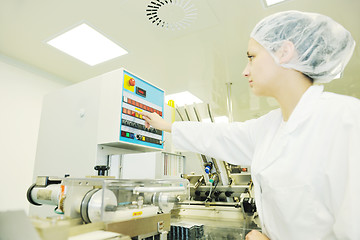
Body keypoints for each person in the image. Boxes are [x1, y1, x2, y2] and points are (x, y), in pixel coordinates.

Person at [141, 10, 359, 240]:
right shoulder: (270, 126)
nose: (245, 71)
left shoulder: (346, 119)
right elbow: (220, 135)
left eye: (252, 57)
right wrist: (168, 125)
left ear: (284, 52)